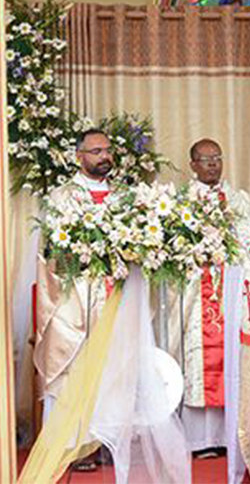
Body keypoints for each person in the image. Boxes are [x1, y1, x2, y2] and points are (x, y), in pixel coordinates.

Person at [171, 138, 250, 455]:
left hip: (229, 287)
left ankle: (229, 436)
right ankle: (199, 439)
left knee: (232, 356)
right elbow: (173, 240)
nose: (213, 164)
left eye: (217, 158)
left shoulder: (236, 198)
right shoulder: (181, 201)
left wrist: (230, 236)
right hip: (195, 290)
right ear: (193, 165)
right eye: (206, 159)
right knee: (198, 355)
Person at [33, 128, 116, 471]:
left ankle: (111, 439)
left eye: (107, 150)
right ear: (79, 156)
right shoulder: (61, 197)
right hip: (76, 298)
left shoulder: (127, 197)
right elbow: (51, 251)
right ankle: (76, 444)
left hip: (116, 294)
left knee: (117, 365)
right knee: (76, 366)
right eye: (96, 151)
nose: (104, 156)